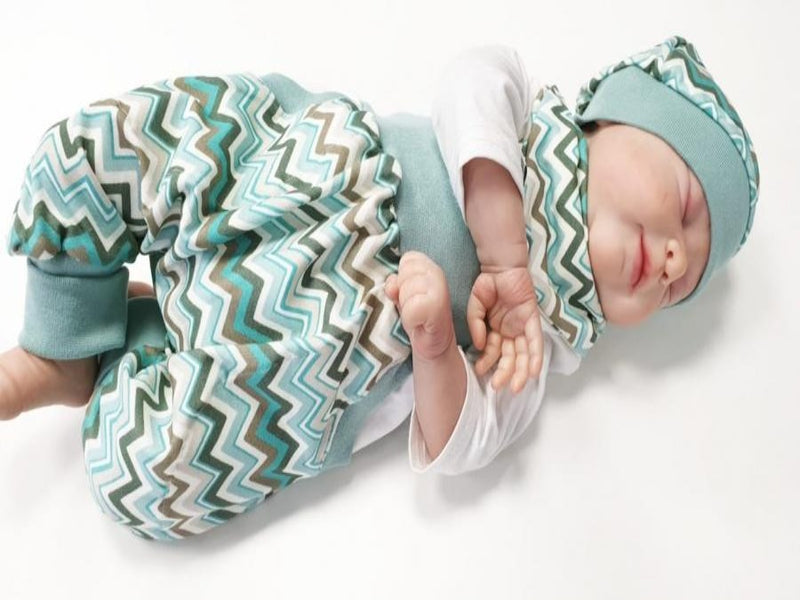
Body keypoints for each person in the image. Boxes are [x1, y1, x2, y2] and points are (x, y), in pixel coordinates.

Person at [0, 36, 759, 540]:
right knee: (102, 150)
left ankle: (126, 353)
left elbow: (466, 443)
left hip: (308, 360)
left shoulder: (534, 346)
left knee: (152, 479)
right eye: (686, 206)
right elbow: (468, 83)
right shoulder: (524, 114)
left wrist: (436, 349)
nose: (672, 259)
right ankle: (62, 332)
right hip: (287, 174)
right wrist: (505, 258)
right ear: (614, 119)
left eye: (682, 282)